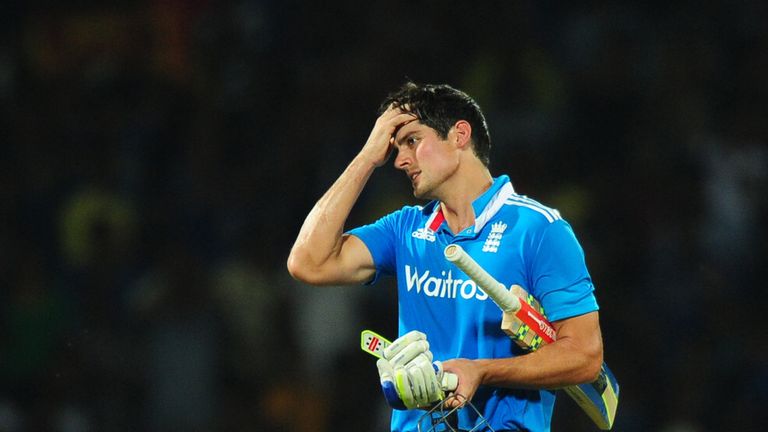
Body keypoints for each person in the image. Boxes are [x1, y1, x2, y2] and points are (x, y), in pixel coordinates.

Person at [287, 82, 604, 432]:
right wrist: (366, 157)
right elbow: (307, 262)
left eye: (412, 141)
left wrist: (481, 371)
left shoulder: (538, 229)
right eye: (394, 148)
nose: (399, 160)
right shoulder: (405, 229)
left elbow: (585, 357)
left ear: (459, 135)